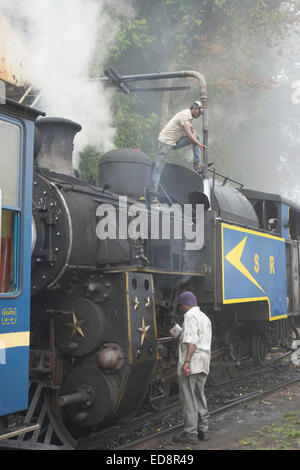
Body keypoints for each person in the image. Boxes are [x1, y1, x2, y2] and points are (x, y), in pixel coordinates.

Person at [173, 291, 212, 446]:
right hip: (204, 361)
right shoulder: (204, 317)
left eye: (181, 305)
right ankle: (203, 430)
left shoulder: (189, 316)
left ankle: (190, 433)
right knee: (199, 396)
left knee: (188, 398)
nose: (181, 308)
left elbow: (192, 343)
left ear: (186, 304)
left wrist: (186, 362)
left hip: (193, 361)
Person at [151, 101, 207, 203]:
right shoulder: (185, 116)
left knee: (197, 137)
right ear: (194, 108)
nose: (199, 115)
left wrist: (197, 142)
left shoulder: (189, 118)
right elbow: (189, 134)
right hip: (164, 144)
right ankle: (154, 196)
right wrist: (199, 144)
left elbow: (193, 133)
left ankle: (197, 166)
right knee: (158, 170)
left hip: (172, 143)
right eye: (199, 112)